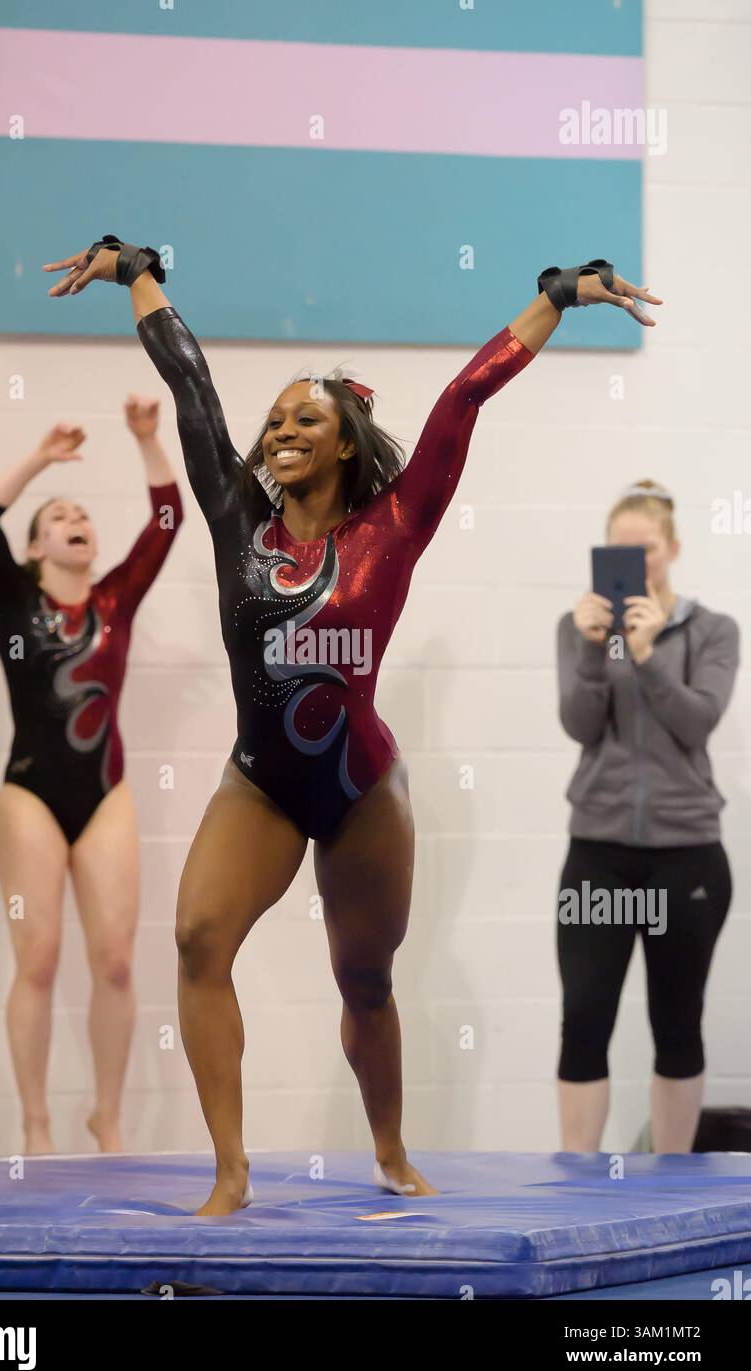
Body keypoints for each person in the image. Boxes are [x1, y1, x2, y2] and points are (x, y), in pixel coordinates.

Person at [44, 238, 659, 1211]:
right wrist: (138, 271)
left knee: (365, 979)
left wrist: (556, 295)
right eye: (274, 419)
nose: (281, 430)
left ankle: (389, 1149)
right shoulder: (236, 517)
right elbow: (191, 385)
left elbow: (462, 400)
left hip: (362, 787)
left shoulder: (395, 525)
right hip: (260, 783)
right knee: (198, 937)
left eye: (306, 418)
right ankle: (231, 1172)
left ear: (341, 443)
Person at [0, 397, 183, 1155]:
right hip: (29, 793)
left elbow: (167, 522)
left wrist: (148, 439)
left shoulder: (116, 599)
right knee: (39, 957)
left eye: (82, 513)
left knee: (116, 962)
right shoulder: (14, 597)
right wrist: (41, 458)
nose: (75, 519)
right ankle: (35, 1124)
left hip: (106, 793)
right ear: (35, 547)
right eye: (57, 516)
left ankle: (108, 1119)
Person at [556, 480, 739, 1153]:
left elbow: (697, 722)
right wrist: (594, 648)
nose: (636, 563)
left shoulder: (713, 630)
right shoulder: (582, 629)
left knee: (677, 1022)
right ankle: (575, 1181)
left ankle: (673, 1185)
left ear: (674, 549)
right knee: (584, 1019)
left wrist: (647, 653)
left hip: (687, 857)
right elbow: (580, 726)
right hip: (598, 854)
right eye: (621, 550)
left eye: (648, 549)